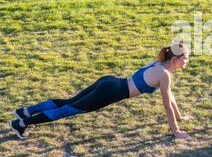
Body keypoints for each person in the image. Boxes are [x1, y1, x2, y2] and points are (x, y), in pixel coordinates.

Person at [8, 43, 193, 140]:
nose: (187, 62)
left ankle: (25, 111)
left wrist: (179, 117)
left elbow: (170, 97)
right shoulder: (164, 74)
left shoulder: (160, 65)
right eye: (185, 58)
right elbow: (166, 105)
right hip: (109, 92)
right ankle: (22, 123)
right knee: (67, 110)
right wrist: (175, 131)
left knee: (68, 102)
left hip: (110, 81)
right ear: (176, 58)